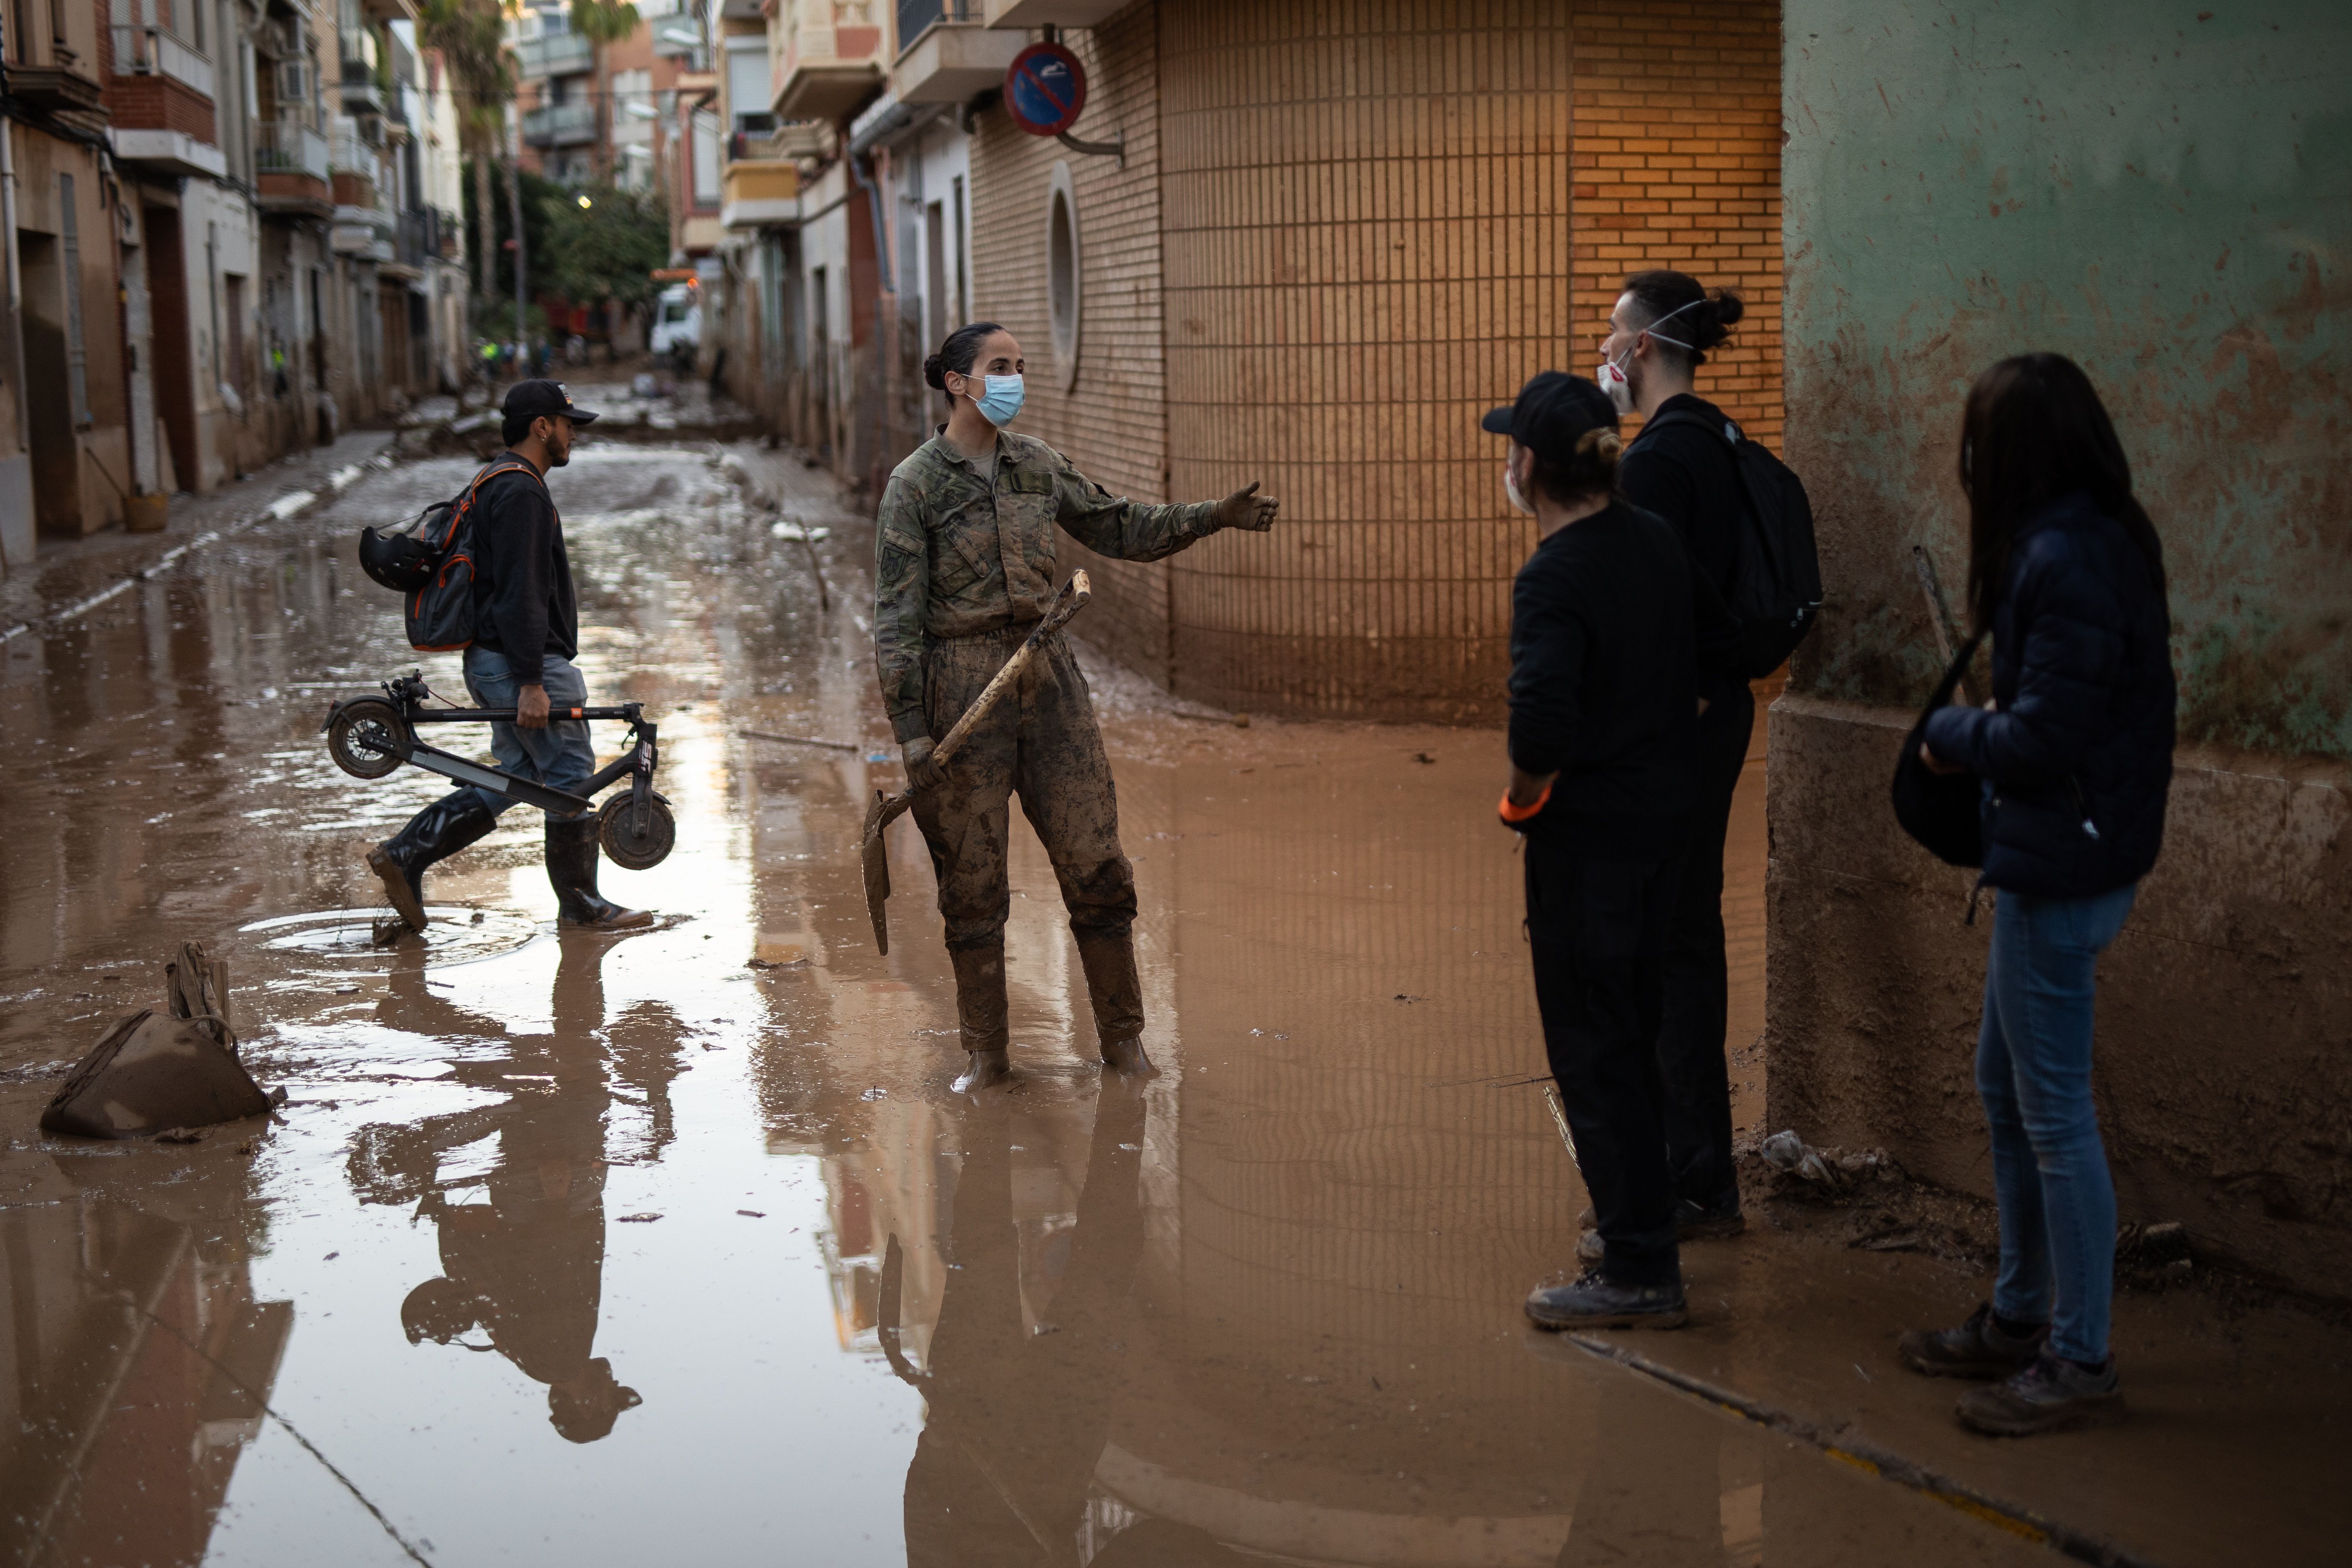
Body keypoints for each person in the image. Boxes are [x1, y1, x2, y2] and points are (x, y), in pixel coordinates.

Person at [875, 322, 1278, 1091]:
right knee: (972, 878)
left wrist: (1210, 516)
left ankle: (1124, 1043)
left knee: (1096, 861)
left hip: (1047, 674)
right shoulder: (915, 486)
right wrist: (913, 737)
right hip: (961, 685)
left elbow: (1118, 524)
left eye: (1021, 367)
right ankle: (987, 1056)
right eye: (1000, 367)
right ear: (958, 383)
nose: (1014, 379)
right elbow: (896, 621)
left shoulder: (1038, 466)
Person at [1903, 354, 2174, 1436]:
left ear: (2008, 455)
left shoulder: (2060, 558)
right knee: (2005, 1090)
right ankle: (2021, 1316)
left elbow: (2045, 734)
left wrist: (1948, 738)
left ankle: (2079, 1357)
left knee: (2053, 1118)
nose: (1965, 465)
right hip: (2068, 851)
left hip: (2063, 865)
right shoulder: (2102, 535)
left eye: (1976, 444)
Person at [1491, 372, 1735, 1331]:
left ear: (1529, 469)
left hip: (1591, 852)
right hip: (1668, 837)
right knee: (1640, 1032)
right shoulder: (1656, 541)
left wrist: (1522, 800)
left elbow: (1541, 723)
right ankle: (1654, 1221)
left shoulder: (1555, 574)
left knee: (1597, 1053)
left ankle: (1638, 1267)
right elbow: (1726, 654)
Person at [366, 380, 652, 934]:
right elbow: (522, 592)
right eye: (568, 425)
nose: (574, 435)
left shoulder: (496, 479)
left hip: (492, 658)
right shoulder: (522, 492)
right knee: (570, 776)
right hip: (522, 663)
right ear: (541, 427)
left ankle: (406, 854)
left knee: (519, 774)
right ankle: (581, 905)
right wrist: (530, 682)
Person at [1596, 268, 1755, 1241]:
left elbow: (1649, 612)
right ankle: (1700, 1171)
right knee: (1691, 936)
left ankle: (1692, 1182)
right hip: (1723, 713)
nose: (1606, 352)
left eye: (1614, 336)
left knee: (1666, 951)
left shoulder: (1658, 461)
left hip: (1676, 728)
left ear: (1646, 348)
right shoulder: (1725, 440)